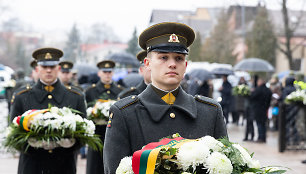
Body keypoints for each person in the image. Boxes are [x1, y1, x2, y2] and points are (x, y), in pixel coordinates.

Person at [103, 22, 227, 174]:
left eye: (179, 58)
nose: (172, 64)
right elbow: (114, 170)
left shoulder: (210, 112)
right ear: (147, 64)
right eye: (163, 57)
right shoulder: (124, 113)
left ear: (186, 65)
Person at [10, 47, 87, 174]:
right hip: (32, 165)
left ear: (59, 68)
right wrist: (31, 144)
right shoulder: (22, 96)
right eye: (44, 67)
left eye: (52, 66)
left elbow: (84, 133)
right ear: (37, 69)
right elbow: (12, 133)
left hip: (64, 165)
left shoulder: (75, 96)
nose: (49, 70)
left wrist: (70, 143)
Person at [85, 59, 122, 174]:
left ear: (113, 73)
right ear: (99, 73)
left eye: (109, 72)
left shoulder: (120, 91)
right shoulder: (90, 91)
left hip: (115, 136)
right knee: (94, 167)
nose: (107, 74)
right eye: (104, 72)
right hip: (97, 136)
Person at [249, 77, 272, 143]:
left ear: (260, 82)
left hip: (258, 109)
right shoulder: (268, 90)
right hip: (265, 109)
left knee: (259, 124)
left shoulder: (258, 90)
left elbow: (252, 97)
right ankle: (263, 138)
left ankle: (260, 138)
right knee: (263, 124)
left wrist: (252, 92)